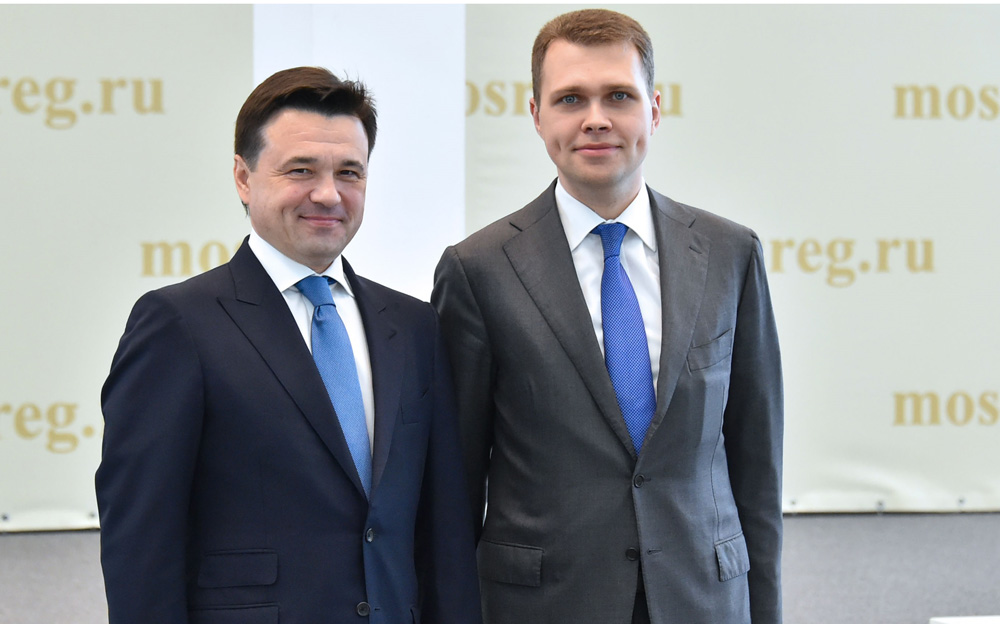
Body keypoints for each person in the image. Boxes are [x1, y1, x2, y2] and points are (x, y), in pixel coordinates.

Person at [432, 9, 783, 624]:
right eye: (570, 98)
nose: (595, 118)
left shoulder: (730, 254)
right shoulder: (477, 270)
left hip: (703, 599)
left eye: (619, 95)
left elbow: (758, 468)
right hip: (542, 605)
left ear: (654, 109)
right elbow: (453, 485)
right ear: (537, 115)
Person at [97, 66, 482, 624]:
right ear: (243, 177)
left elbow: (443, 532)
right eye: (301, 170)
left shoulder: (414, 326)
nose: (328, 194)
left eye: (349, 172)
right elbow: (140, 545)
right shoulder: (178, 325)